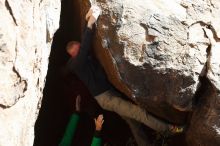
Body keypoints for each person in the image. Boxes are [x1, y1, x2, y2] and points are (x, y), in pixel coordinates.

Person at [65, 6, 184, 135]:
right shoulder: (75, 64)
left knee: (133, 122)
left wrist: (86, 19)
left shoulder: (78, 57)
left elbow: (83, 43)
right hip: (106, 98)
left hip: (108, 93)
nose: (83, 49)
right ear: (73, 54)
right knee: (139, 113)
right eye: (79, 49)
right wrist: (90, 23)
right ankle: (170, 129)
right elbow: (84, 47)